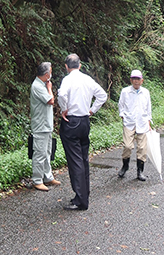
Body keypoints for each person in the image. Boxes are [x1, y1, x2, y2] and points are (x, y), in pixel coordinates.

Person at [57, 53, 107, 211]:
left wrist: (64, 109)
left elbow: (61, 94)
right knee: (83, 158)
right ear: (79, 65)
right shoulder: (87, 79)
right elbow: (102, 95)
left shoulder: (67, 79)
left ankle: (80, 200)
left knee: (75, 160)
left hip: (71, 121)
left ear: (66, 67)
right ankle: (84, 194)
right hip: (85, 121)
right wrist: (92, 110)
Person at [30, 62, 61, 191]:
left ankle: (47, 177)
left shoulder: (41, 84)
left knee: (47, 152)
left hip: (46, 125)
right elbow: (51, 100)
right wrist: (50, 88)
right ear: (47, 74)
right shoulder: (37, 86)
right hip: (40, 125)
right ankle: (37, 180)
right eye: (50, 72)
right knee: (40, 153)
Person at [118, 69, 152, 181]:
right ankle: (125, 165)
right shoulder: (125, 91)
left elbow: (148, 108)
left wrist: (148, 122)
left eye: (138, 79)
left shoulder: (146, 92)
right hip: (129, 122)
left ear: (142, 80)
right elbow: (121, 105)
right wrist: (123, 115)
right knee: (128, 146)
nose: (136, 81)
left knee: (142, 148)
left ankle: (140, 171)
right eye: (134, 79)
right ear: (131, 80)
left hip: (142, 122)